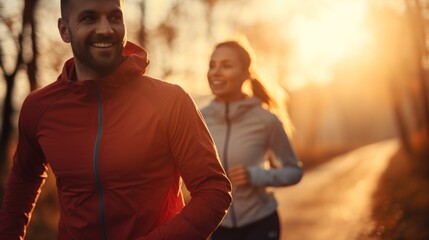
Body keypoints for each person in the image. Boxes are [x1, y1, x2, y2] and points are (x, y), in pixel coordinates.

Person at [0, 0, 232, 239]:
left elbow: (213, 191)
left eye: (114, 17)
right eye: (89, 18)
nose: (106, 29)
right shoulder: (39, 107)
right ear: (64, 30)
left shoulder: (169, 101)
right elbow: (24, 179)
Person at [201, 39, 303, 240]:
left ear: (246, 74)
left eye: (226, 65)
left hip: (260, 223)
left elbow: (294, 171)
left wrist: (257, 176)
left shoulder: (265, 119)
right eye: (212, 65)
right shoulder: (199, 118)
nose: (216, 72)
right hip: (218, 225)